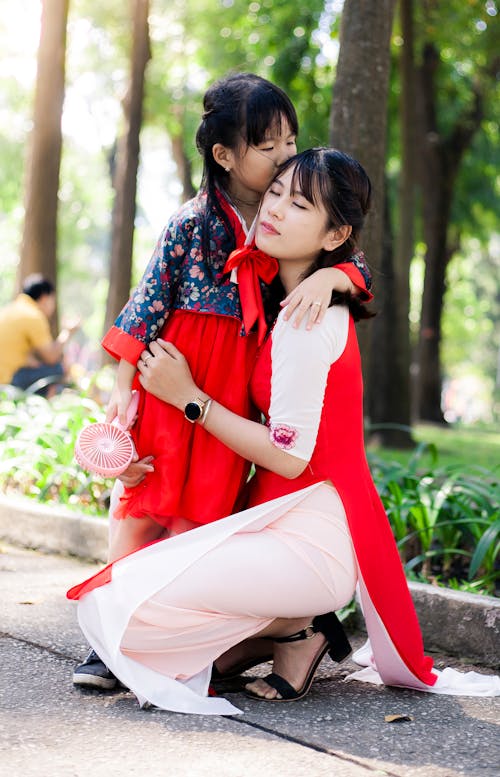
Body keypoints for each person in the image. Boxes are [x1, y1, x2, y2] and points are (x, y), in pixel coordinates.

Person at [68, 147, 499, 713]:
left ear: (332, 233)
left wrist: (190, 399)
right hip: (278, 525)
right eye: (275, 193)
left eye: (298, 205)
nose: (273, 209)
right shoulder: (281, 294)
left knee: (119, 610)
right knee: (119, 600)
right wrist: (339, 274)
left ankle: (292, 626)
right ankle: (289, 632)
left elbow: (291, 458)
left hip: (307, 543)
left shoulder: (303, 320)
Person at [72, 73, 372, 689]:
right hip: (169, 382)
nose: (287, 158)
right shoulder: (190, 223)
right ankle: (110, 637)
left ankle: (177, 637)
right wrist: (119, 407)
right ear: (226, 156)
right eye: (270, 147)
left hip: (228, 395)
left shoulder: (284, 218)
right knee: (139, 506)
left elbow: (353, 263)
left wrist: (331, 279)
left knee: (203, 515)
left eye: (291, 143)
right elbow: (143, 309)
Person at [0, 274, 78, 396]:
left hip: (6, 374)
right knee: (58, 368)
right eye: (53, 300)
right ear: (44, 298)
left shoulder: (9, 310)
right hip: (10, 379)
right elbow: (51, 357)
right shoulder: (33, 315)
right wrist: (67, 332)